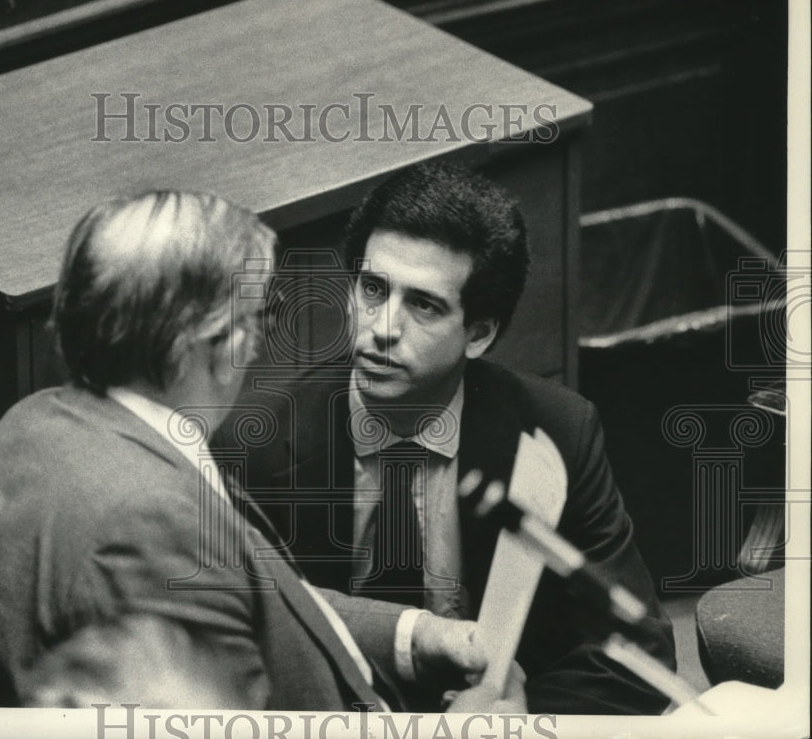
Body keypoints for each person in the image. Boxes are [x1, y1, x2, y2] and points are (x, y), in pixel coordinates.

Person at [0, 189, 522, 711]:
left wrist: (416, 637)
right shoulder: (153, 524)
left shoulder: (33, 424)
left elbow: (263, 598)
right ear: (204, 341)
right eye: (255, 318)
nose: (256, 345)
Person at [215, 163, 677, 714]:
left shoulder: (557, 430)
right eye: (372, 288)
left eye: (424, 305)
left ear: (479, 334)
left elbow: (638, 645)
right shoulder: (255, 444)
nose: (383, 327)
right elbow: (234, 644)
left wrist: (526, 718)